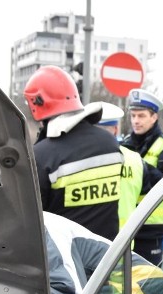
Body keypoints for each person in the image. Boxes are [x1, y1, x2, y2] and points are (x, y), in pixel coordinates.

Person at [23, 65, 123, 241]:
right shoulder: (110, 143)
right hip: (108, 257)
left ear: (38, 105)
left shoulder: (43, 155)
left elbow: (31, 219)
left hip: (66, 262)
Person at [121, 88, 163, 264]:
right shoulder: (125, 143)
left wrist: (138, 164)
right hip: (128, 225)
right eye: (133, 116)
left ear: (153, 117)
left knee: (147, 285)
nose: (135, 121)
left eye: (141, 116)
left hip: (151, 227)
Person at [94, 102, 149, 229]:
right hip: (127, 240)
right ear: (116, 129)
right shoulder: (136, 159)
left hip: (90, 242)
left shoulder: (81, 157)